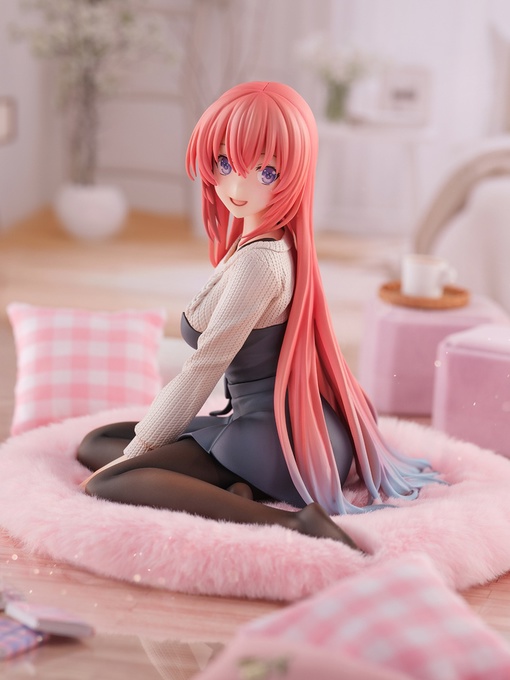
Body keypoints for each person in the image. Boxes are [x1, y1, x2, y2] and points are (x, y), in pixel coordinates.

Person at [78, 81, 438, 547]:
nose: (236, 187)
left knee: (107, 480)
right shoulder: (268, 242)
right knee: (96, 444)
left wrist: (139, 455)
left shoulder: (260, 264)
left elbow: (202, 369)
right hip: (283, 426)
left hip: (273, 442)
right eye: (225, 164)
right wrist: (141, 448)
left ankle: (292, 522)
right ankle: (234, 487)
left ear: (294, 174)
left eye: (265, 172)